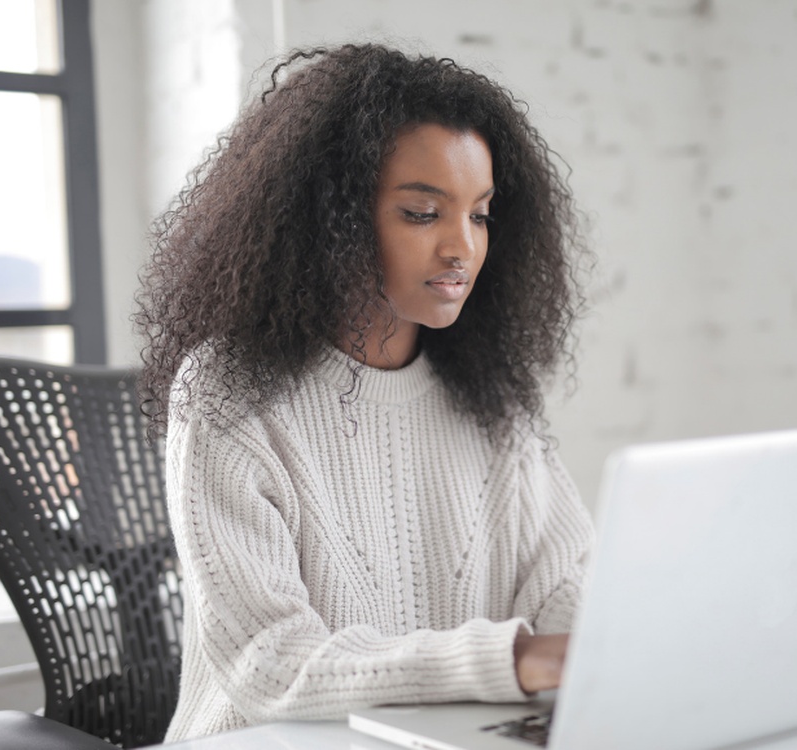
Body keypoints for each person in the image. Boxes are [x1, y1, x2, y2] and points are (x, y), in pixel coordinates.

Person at [135, 43, 595, 741]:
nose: (461, 248)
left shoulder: (491, 396)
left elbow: (564, 585)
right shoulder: (228, 393)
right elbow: (269, 663)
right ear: (331, 222)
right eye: (422, 214)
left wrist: (601, 645)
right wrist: (512, 660)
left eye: (479, 214)